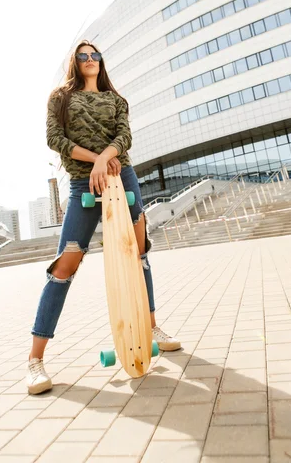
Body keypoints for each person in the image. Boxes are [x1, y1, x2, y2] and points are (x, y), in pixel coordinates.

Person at [27, 39, 181, 394]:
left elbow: (125, 136)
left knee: (140, 254)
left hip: (121, 176)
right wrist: (96, 159)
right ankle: (35, 360)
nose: (90, 59)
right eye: (82, 56)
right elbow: (55, 138)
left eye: (95, 54)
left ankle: (152, 327)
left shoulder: (116, 99)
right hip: (84, 184)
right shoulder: (60, 98)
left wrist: (107, 156)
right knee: (64, 266)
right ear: (74, 62)